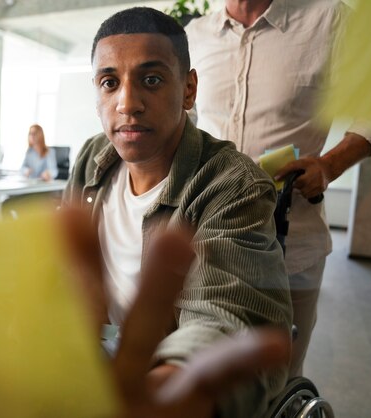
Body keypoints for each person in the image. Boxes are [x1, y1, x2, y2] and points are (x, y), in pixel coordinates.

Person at [64, 7, 292, 417]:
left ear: (189, 90)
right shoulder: (91, 159)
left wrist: (172, 380)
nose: (127, 103)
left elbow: (223, 312)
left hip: (156, 371)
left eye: (151, 80)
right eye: (109, 83)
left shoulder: (233, 185)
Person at [185, 0, 371, 377]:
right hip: (207, 241)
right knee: (206, 372)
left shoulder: (329, 20)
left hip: (291, 244)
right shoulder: (195, 35)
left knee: (279, 375)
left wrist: (329, 165)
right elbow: (181, 124)